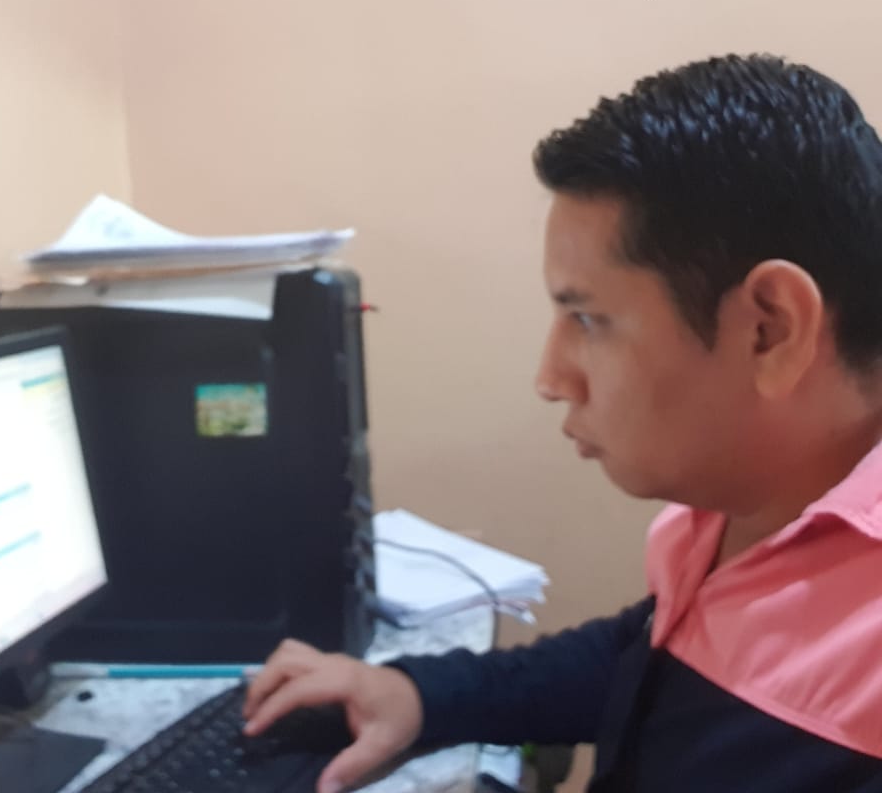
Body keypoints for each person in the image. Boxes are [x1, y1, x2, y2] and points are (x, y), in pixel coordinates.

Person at [242, 54, 882, 792]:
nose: (551, 379)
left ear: (770, 329)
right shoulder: (746, 501)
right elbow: (648, 659)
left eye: (588, 319)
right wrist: (419, 695)